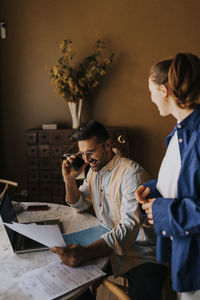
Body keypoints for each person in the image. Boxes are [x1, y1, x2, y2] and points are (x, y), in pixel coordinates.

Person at [51, 120, 168, 300]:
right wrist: (69, 180)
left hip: (142, 255)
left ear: (107, 144)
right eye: (82, 154)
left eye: (90, 152)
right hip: (110, 250)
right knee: (66, 284)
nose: (87, 160)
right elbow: (80, 204)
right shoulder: (93, 171)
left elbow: (128, 228)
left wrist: (86, 253)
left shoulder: (131, 173)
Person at [135, 53, 200, 300]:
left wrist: (161, 211)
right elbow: (183, 185)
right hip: (183, 253)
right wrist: (153, 191)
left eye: (150, 91)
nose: (150, 97)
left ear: (164, 90)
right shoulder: (178, 134)